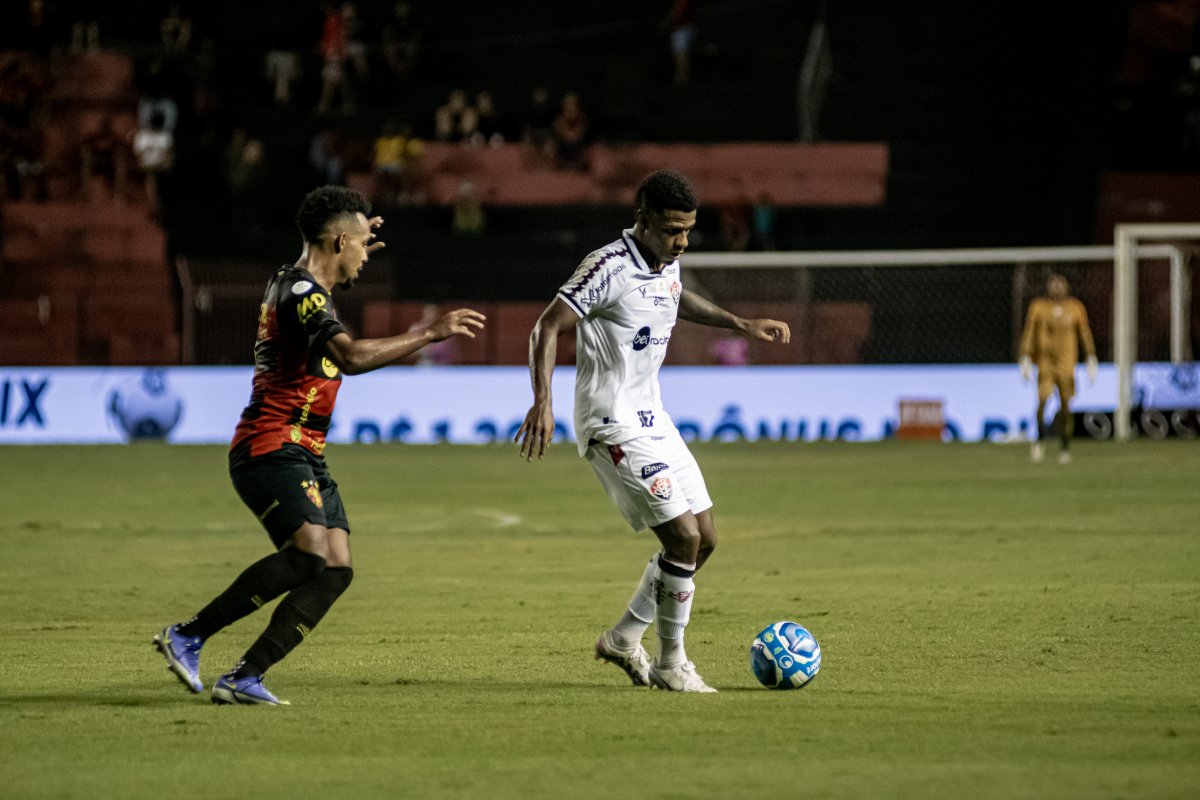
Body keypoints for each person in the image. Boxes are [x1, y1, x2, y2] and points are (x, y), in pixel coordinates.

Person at [153, 186, 485, 705]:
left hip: (305, 450)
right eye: (357, 246)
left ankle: (244, 676)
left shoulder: (305, 286)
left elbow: (334, 281)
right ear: (337, 240)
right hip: (271, 443)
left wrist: (349, 249)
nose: (365, 258)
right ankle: (189, 635)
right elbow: (350, 358)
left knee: (335, 569)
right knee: (309, 556)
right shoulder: (302, 292)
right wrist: (428, 332)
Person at [515, 170, 791, 693]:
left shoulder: (668, 259)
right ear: (641, 220)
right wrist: (542, 403)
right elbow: (546, 325)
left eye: (688, 230)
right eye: (671, 230)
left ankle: (623, 638)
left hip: (653, 418)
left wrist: (739, 323)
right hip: (610, 422)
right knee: (682, 537)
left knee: (704, 540)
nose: (681, 240)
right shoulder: (606, 267)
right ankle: (671, 664)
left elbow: (676, 297)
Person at [1019, 273, 1097, 464]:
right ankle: (1039, 440)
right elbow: (1029, 331)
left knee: (1065, 405)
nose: (1056, 288)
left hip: (1066, 363)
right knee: (1043, 400)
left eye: (1059, 284)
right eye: (1053, 285)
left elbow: (1084, 333)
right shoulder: (1038, 307)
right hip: (1045, 362)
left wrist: (1091, 356)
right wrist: (1025, 356)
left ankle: (1065, 446)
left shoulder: (1076, 308)